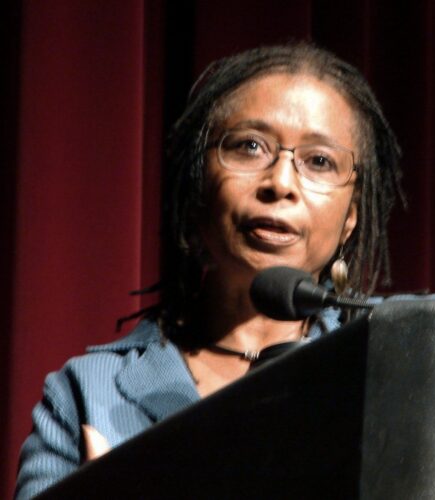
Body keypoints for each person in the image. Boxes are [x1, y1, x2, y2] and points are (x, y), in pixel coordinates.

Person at [15, 42, 403, 498]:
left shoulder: (407, 354)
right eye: (250, 147)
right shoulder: (86, 394)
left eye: (319, 161)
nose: (280, 183)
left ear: (350, 218)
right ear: (198, 185)